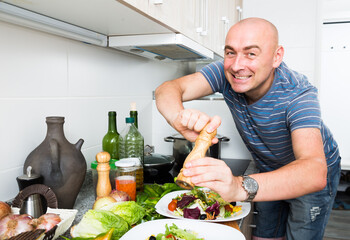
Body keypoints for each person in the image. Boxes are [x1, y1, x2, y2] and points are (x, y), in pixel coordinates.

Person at [155, 17, 341, 240]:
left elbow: (314, 171)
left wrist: (236, 186)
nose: (236, 65)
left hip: (309, 173)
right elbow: (167, 89)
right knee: (264, 236)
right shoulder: (226, 74)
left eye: (251, 53)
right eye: (230, 52)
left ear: (276, 57)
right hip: (268, 169)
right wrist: (178, 117)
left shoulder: (298, 95)